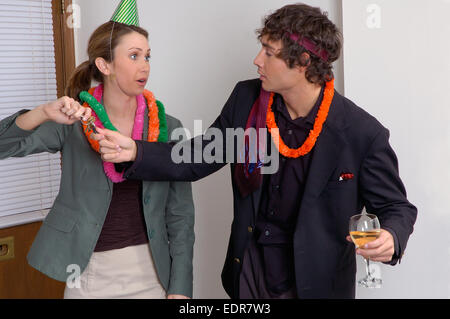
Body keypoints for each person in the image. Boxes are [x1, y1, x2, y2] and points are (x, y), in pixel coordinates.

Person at [94, 3, 417, 299]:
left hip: (317, 283)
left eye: (269, 52)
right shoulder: (246, 99)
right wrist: (136, 151)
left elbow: (395, 206)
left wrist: (391, 235)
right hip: (250, 269)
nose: (257, 60)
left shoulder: (362, 132)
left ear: (303, 61)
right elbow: (200, 156)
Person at [0, 0, 194, 299]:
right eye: (134, 56)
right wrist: (42, 112)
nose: (145, 66)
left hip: (152, 273)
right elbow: (4, 145)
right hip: (87, 273)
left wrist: (180, 289)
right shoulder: (74, 122)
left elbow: (180, 215)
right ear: (105, 65)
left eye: (147, 56)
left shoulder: (169, 127)